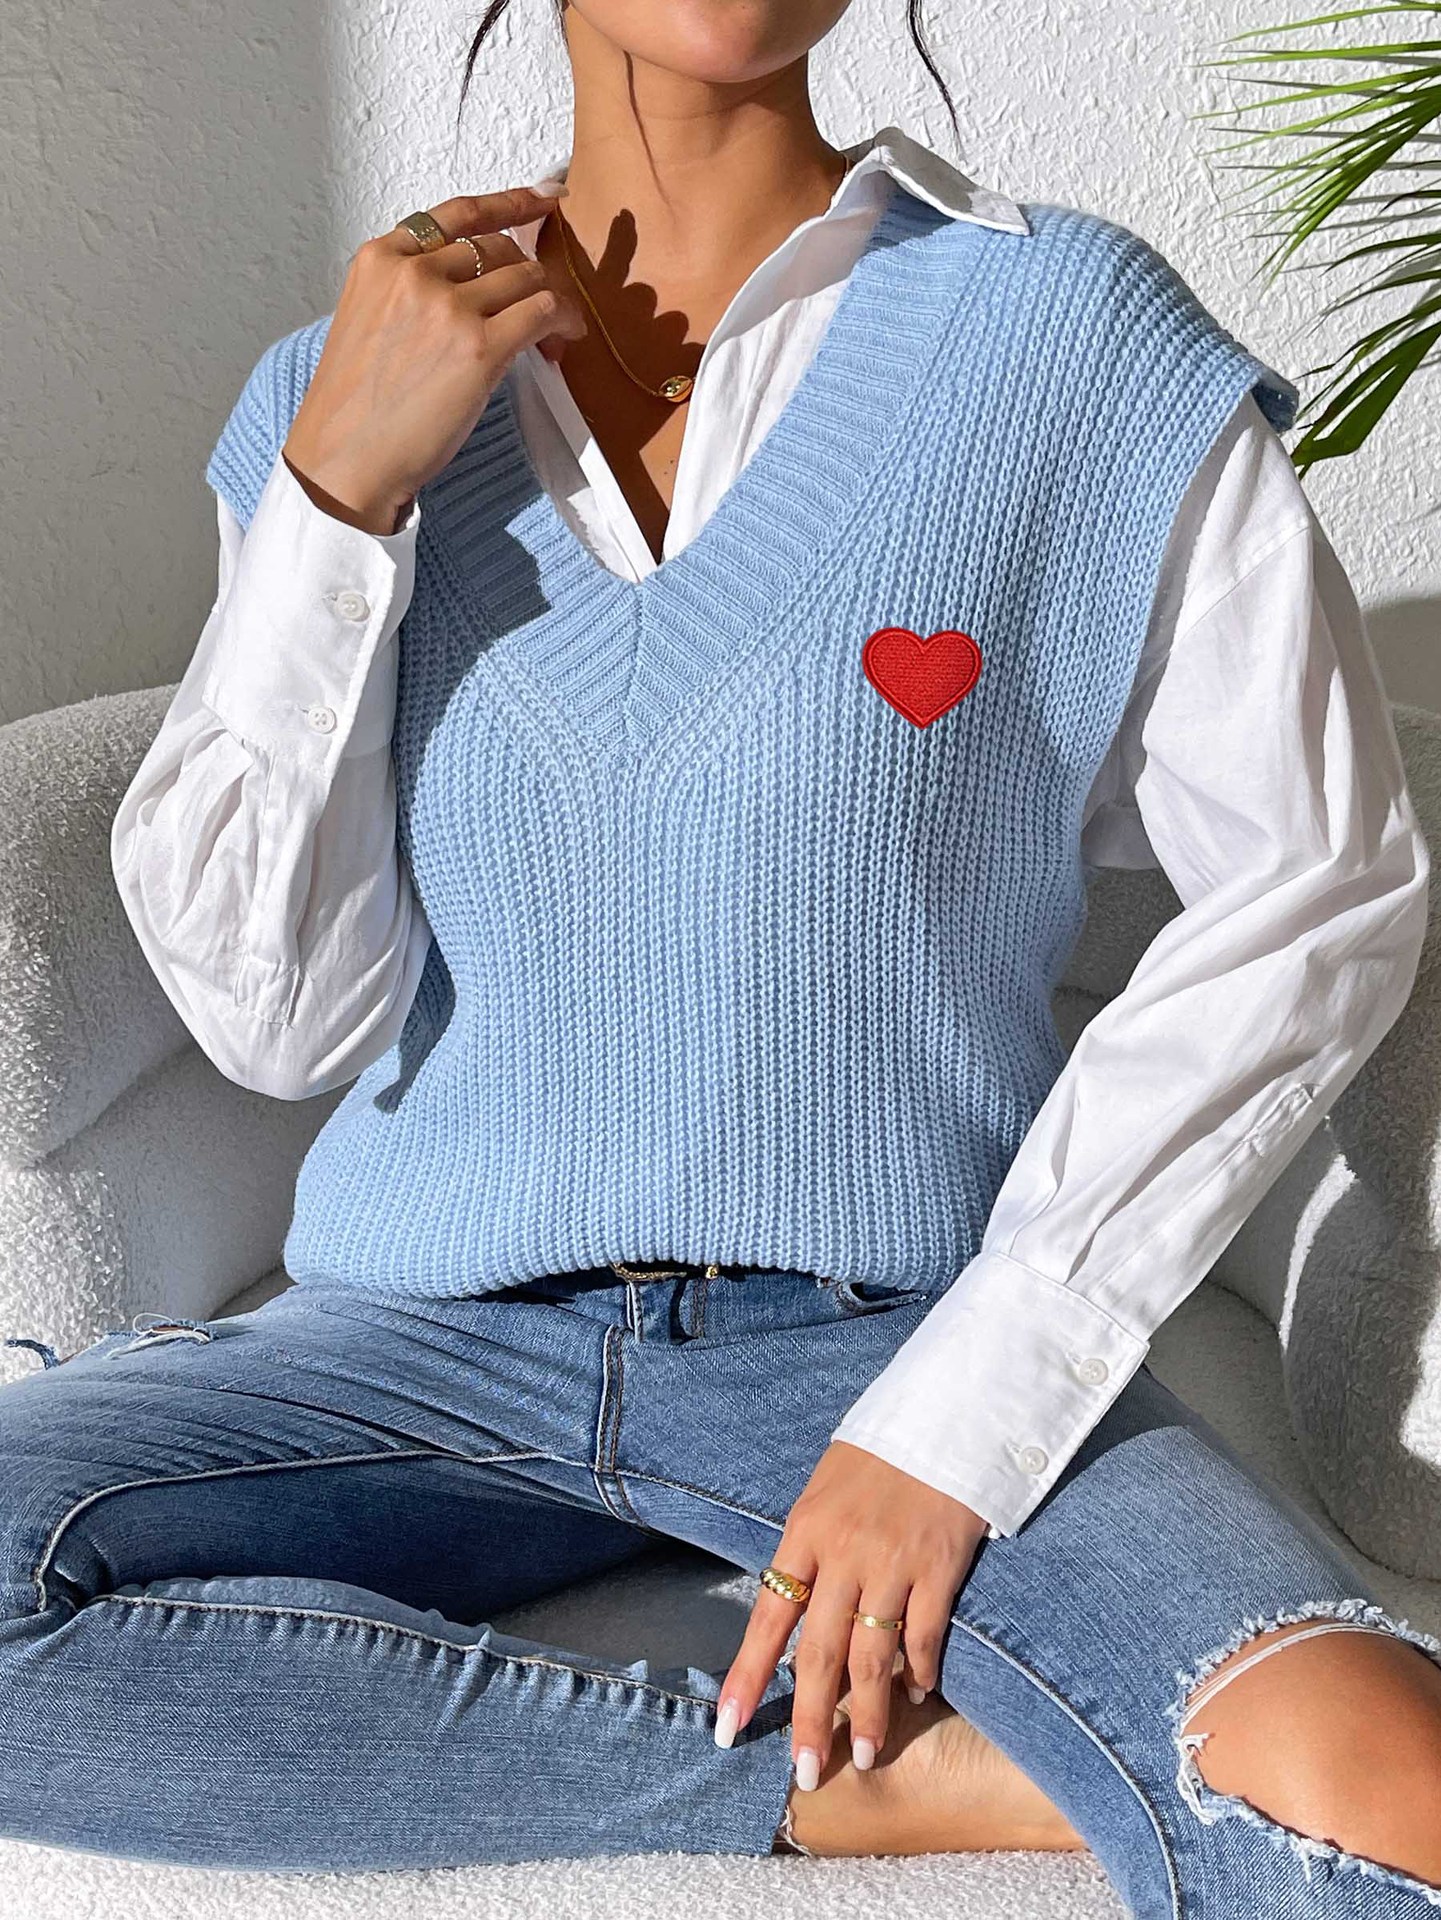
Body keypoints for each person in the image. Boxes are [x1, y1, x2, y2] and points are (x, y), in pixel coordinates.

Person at [3, 1, 1440, 1911]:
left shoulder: (1072, 343)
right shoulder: (330, 391)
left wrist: (967, 1413)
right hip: (418, 1340)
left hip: (898, 1332)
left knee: (1384, 1799)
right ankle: (850, 1794)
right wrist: (338, 497)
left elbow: (1319, 884)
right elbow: (283, 1020)